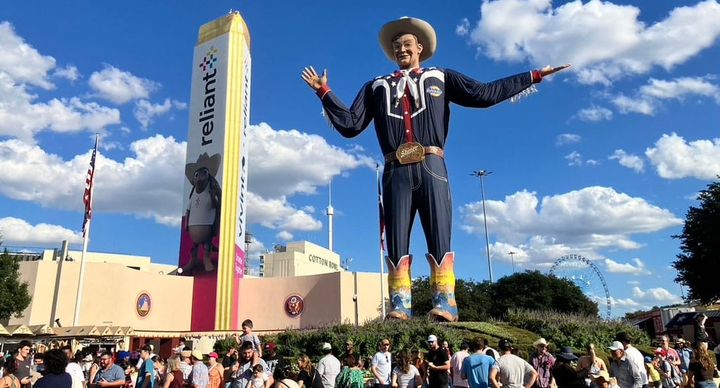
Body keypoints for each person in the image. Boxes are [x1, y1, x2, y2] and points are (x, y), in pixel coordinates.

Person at [301, 16, 568, 322]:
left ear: (420, 48)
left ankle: (445, 301)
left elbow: (483, 94)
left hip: (432, 164)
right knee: (397, 237)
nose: (401, 48)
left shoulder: (441, 77)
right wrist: (324, 92)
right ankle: (400, 304)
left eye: (407, 44)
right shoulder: (376, 86)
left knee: (439, 233)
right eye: (396, 45)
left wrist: (532, 75)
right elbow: (351, 124)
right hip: (394, 168)